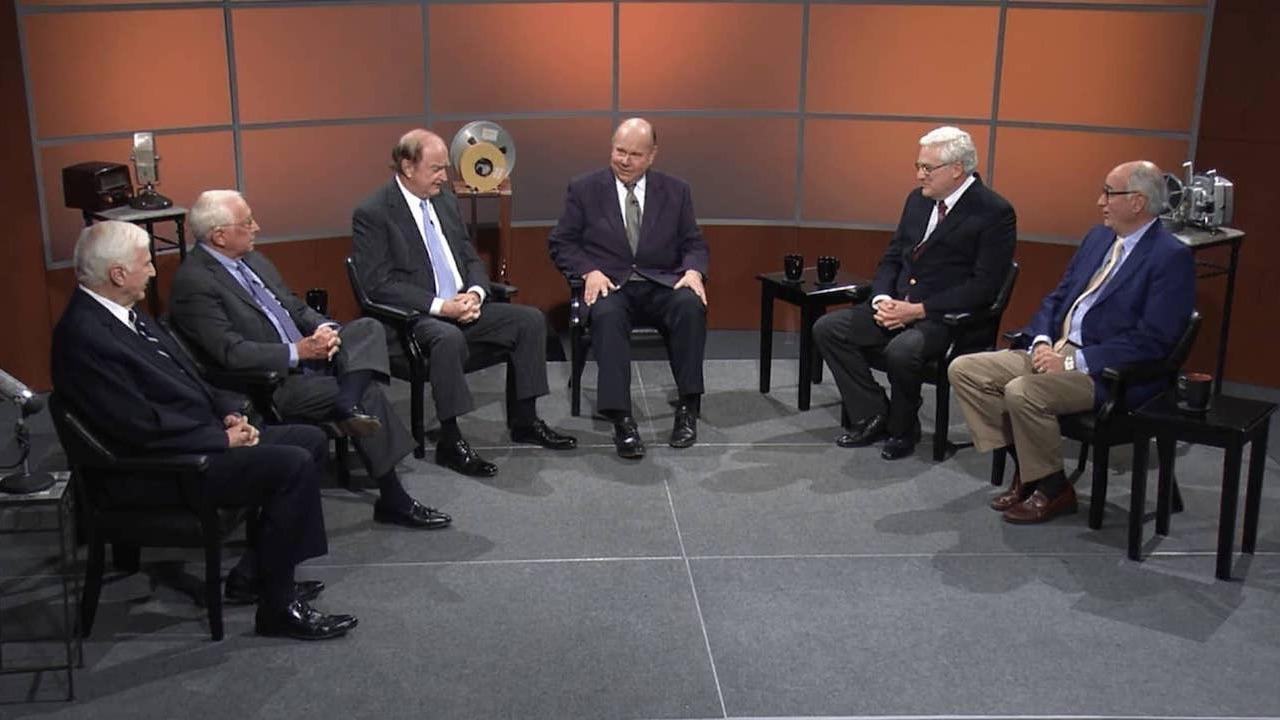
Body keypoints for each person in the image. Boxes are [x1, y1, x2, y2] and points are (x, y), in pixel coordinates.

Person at [51, 221, 357, 640]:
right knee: (292, 464)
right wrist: (219, 439)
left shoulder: (125, 315)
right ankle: (278, 608)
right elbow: (136, 426)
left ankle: (257, 573)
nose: (155, 272)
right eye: (146, 264)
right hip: (158, 469)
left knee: (310, 438)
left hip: (189, 439)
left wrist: (229, 414)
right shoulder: (85, 336)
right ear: (117, 274)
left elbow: (188, 377)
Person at [169, 190, 450, 530]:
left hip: (312, 355)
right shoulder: (195, 282)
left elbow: (296, 306)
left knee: (368, 328)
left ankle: (347, 399)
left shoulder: (253, 260)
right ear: (219, 235)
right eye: (247, 222)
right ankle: (392, 494)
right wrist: (298, 352)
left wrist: (325, 330)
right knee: (369, 392)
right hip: (273, 382)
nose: (256, 227)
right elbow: (231, 352)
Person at [948, 160, 1195, 524]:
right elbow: (1058, 296)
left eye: (1109, 193)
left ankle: (1048, 490)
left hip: (1107, 372)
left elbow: (1152, 341)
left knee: (1023, 392)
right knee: (966, 369)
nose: (1100, 201)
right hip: (1057, 349)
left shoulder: (1169, 258)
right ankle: (1041, 474)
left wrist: (1071, 363)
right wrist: (1043, 341)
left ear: (1138, 202)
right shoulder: (1098, 238)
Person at [351, 129, 576, 477]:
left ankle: (525, 421)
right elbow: (378, 285)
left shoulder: (443, 200)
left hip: (462, 306)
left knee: (530, 321)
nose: (446, 176)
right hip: (415, 319)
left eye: (446, 168)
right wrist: (443, 307)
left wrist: (475, 293)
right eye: (437, 168)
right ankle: (451, 440)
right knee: (447, 337)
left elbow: (468, 256)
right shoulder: (374, 212)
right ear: (408, 167)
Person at [812, 126, 1016, 460]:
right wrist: (881, 299)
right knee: (828, 329)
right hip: (897, 305)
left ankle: (904, 427)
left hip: (944, 318)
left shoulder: (994, 212)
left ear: (956, 169)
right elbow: (894, 256)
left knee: (902, 351)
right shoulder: (917, 200)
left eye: (927, 168)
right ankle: (874, 412)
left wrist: (919, 310)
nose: (920, 175)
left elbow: (984, 287)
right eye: (918, 166)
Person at [547, 118, 709, 459]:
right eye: (619, 151)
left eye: (635, 154)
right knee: (606, 315)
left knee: (690, 305)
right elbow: (562, 242)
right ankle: (621, 418)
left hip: (660, 281)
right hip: (611, 284)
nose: (624, 160)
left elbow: (693, 242)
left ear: (651, 156)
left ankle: (688, 407)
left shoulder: (677, 190)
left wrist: (694, 270)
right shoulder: (584, 188)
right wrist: (588, 271)